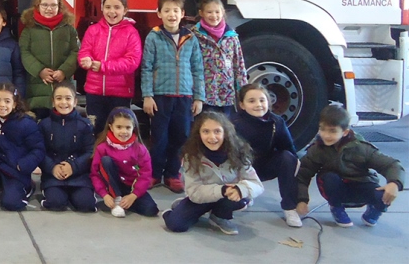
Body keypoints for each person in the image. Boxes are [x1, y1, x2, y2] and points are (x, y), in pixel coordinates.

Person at [296, 105, 405, 227]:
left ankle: (374, 210)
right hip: (337, 188)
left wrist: (395, 183)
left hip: (361, 184)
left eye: (332, 131)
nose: (326, 135)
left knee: (384, 195)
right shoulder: (317, 150)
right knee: (328, 178)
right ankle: (336, 208)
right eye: (322, 129)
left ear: (345, 132)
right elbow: (302, 174)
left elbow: (391, 164)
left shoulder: (361, 148)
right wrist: (301, 200)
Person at [141, 0, 204, 193]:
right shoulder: (154, 36)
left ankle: (173, 174)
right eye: (167, 10)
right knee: (159, 137)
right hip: (160, 97)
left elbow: (197, 68)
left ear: (182, 13)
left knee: (181, 137)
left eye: (175, 10)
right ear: (159, 13)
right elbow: (147, 67)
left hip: (185, 98)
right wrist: (147, 95)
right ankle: (154, 173)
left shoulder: (190, 38)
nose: (171, 14)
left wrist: (198, 97)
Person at [161, 112, 263, 235]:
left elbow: (257, 185)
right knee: (176, 225)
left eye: (217, 131)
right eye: (206, 131)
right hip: (203, 197)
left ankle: (219, 217)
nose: (212, 137)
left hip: (227, 197)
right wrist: (222, 189)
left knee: (242, 199)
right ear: (199, 134)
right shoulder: (191, 156)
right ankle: (179, 207)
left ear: (225, 133)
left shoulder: (238, 152)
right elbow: (194, 191)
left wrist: (240, 189)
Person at [231, 83, 300, 227]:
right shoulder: (233, 123)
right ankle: (246, 192)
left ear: (268, 102)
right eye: (252, 101)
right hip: (240, 169)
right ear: (242, 105)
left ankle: (289, 207)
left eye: (262, 100)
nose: (258, 105)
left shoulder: (277, 122)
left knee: (288, 158)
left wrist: (295, 166)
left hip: (263, 166)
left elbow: (288, 148)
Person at [77, 0, 142, 135]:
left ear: (125, 10)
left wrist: (103, 66)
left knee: (118, 130)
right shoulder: (93, 30)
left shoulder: (131, 33)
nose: (112, 12)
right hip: (94, 92)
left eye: (117, 7)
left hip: (121, 93)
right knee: (95, 130)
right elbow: (84, 51)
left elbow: (132, 62)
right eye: (108, 7)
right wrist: (85, 60)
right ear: (102, 8)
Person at [0, 82, 45, 211]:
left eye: (7, 101)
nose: (2, 105)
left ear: (15, 103)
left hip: (16, 169)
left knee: (12, 204)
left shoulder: (26, 123)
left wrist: (24, 164)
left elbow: (38, 149)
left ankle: (27, 186)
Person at [19, 0, 79, 120]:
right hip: (37, 92)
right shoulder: (29, 30)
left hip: (63, 90)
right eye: (45, 5)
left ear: (59, 7)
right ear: (38, 6)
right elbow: (24, 52)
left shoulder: (69, 29)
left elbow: (76, 52)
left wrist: (64, 71)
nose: (49, 9)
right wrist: (40, 71)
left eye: (53, 5)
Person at [37, 82, 96, 212]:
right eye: (59, 98)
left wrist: (73, 167)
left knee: (86, 205)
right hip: (53, 176)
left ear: (75, 101)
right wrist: (52, 167)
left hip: (79, 176)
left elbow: (90, 152)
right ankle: (55, 194)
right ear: (53, 101)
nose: (63, 102)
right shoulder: (44, 125)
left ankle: (79, 195)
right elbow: (39, 151)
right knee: (56, 203)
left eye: (68, 98)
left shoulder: (84, 125)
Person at [91, 107, 159, 218]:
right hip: (112, 186)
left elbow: (145, 174)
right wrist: (104, 195)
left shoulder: (140, 149)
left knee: (151, 210)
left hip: (131, 187)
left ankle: (124, 202)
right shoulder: (102, 148)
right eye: (119, 127)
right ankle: (116, 200)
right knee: (106, 161)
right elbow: (95, 174)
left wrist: (133, 195)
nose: (124, 131)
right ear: (111, 127)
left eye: (128, 127)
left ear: (134, 128)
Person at [194, 0, 247, 117]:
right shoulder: (194, 36)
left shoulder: (232, 36)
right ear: (201, 13)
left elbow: (239, 66)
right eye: (209, 12)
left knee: (225, 131)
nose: (214, 15)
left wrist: (243, 93)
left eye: (217, 12)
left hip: (226, 96)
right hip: (204, 96)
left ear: (223, 12)